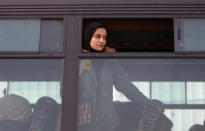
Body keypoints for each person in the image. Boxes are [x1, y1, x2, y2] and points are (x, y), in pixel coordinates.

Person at [78, 22, 163, 131]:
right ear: (88, 37)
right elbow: (65, 94)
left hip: (107, 125)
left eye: (104, 37)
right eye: (97, 36)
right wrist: (79, 68)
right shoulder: (75, 59)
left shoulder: (110, 61)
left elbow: (125, 85)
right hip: (81, 125)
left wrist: (148, 103)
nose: (101, 41)